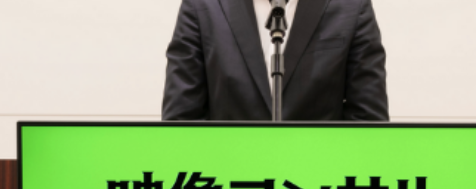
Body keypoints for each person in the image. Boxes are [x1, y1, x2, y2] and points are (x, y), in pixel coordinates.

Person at [162, 0, 388, 121]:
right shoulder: (202, 6)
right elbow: (181, 121)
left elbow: (368, 121)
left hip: (319, 182)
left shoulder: (352, 6)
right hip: (228, 181)